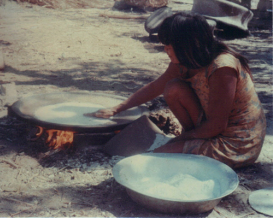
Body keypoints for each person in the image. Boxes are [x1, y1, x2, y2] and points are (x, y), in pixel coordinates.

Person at [89, 12, 266, 168]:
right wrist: (117, 108)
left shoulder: (222, 68)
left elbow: (217, 125)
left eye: (169, 45)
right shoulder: (184, 61)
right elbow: (155, 87)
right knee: (173, 88)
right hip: (213, 128)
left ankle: (192, 143)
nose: (165, 50)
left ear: (188, 45)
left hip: (237, 142)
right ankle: (193, 141)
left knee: (156, 157)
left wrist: (180, 139)